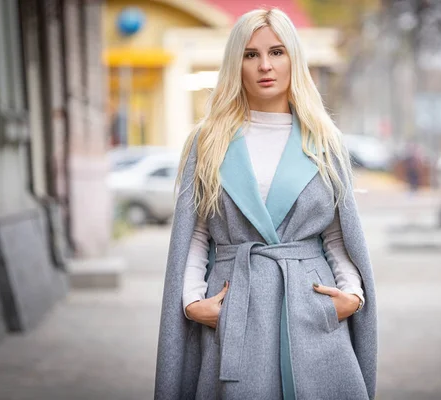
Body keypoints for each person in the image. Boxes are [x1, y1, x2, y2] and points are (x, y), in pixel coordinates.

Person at [154, 8, 378, 400]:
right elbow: (196, 235)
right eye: (250, 54)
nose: (265, 66)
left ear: (294, 57)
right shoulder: (208, 141)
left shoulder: (324, 141)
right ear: (235, 64)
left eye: (276, 52)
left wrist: (352, 297)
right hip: (236, 306)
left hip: (311, 306)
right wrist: (192, 303)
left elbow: (339, 235)